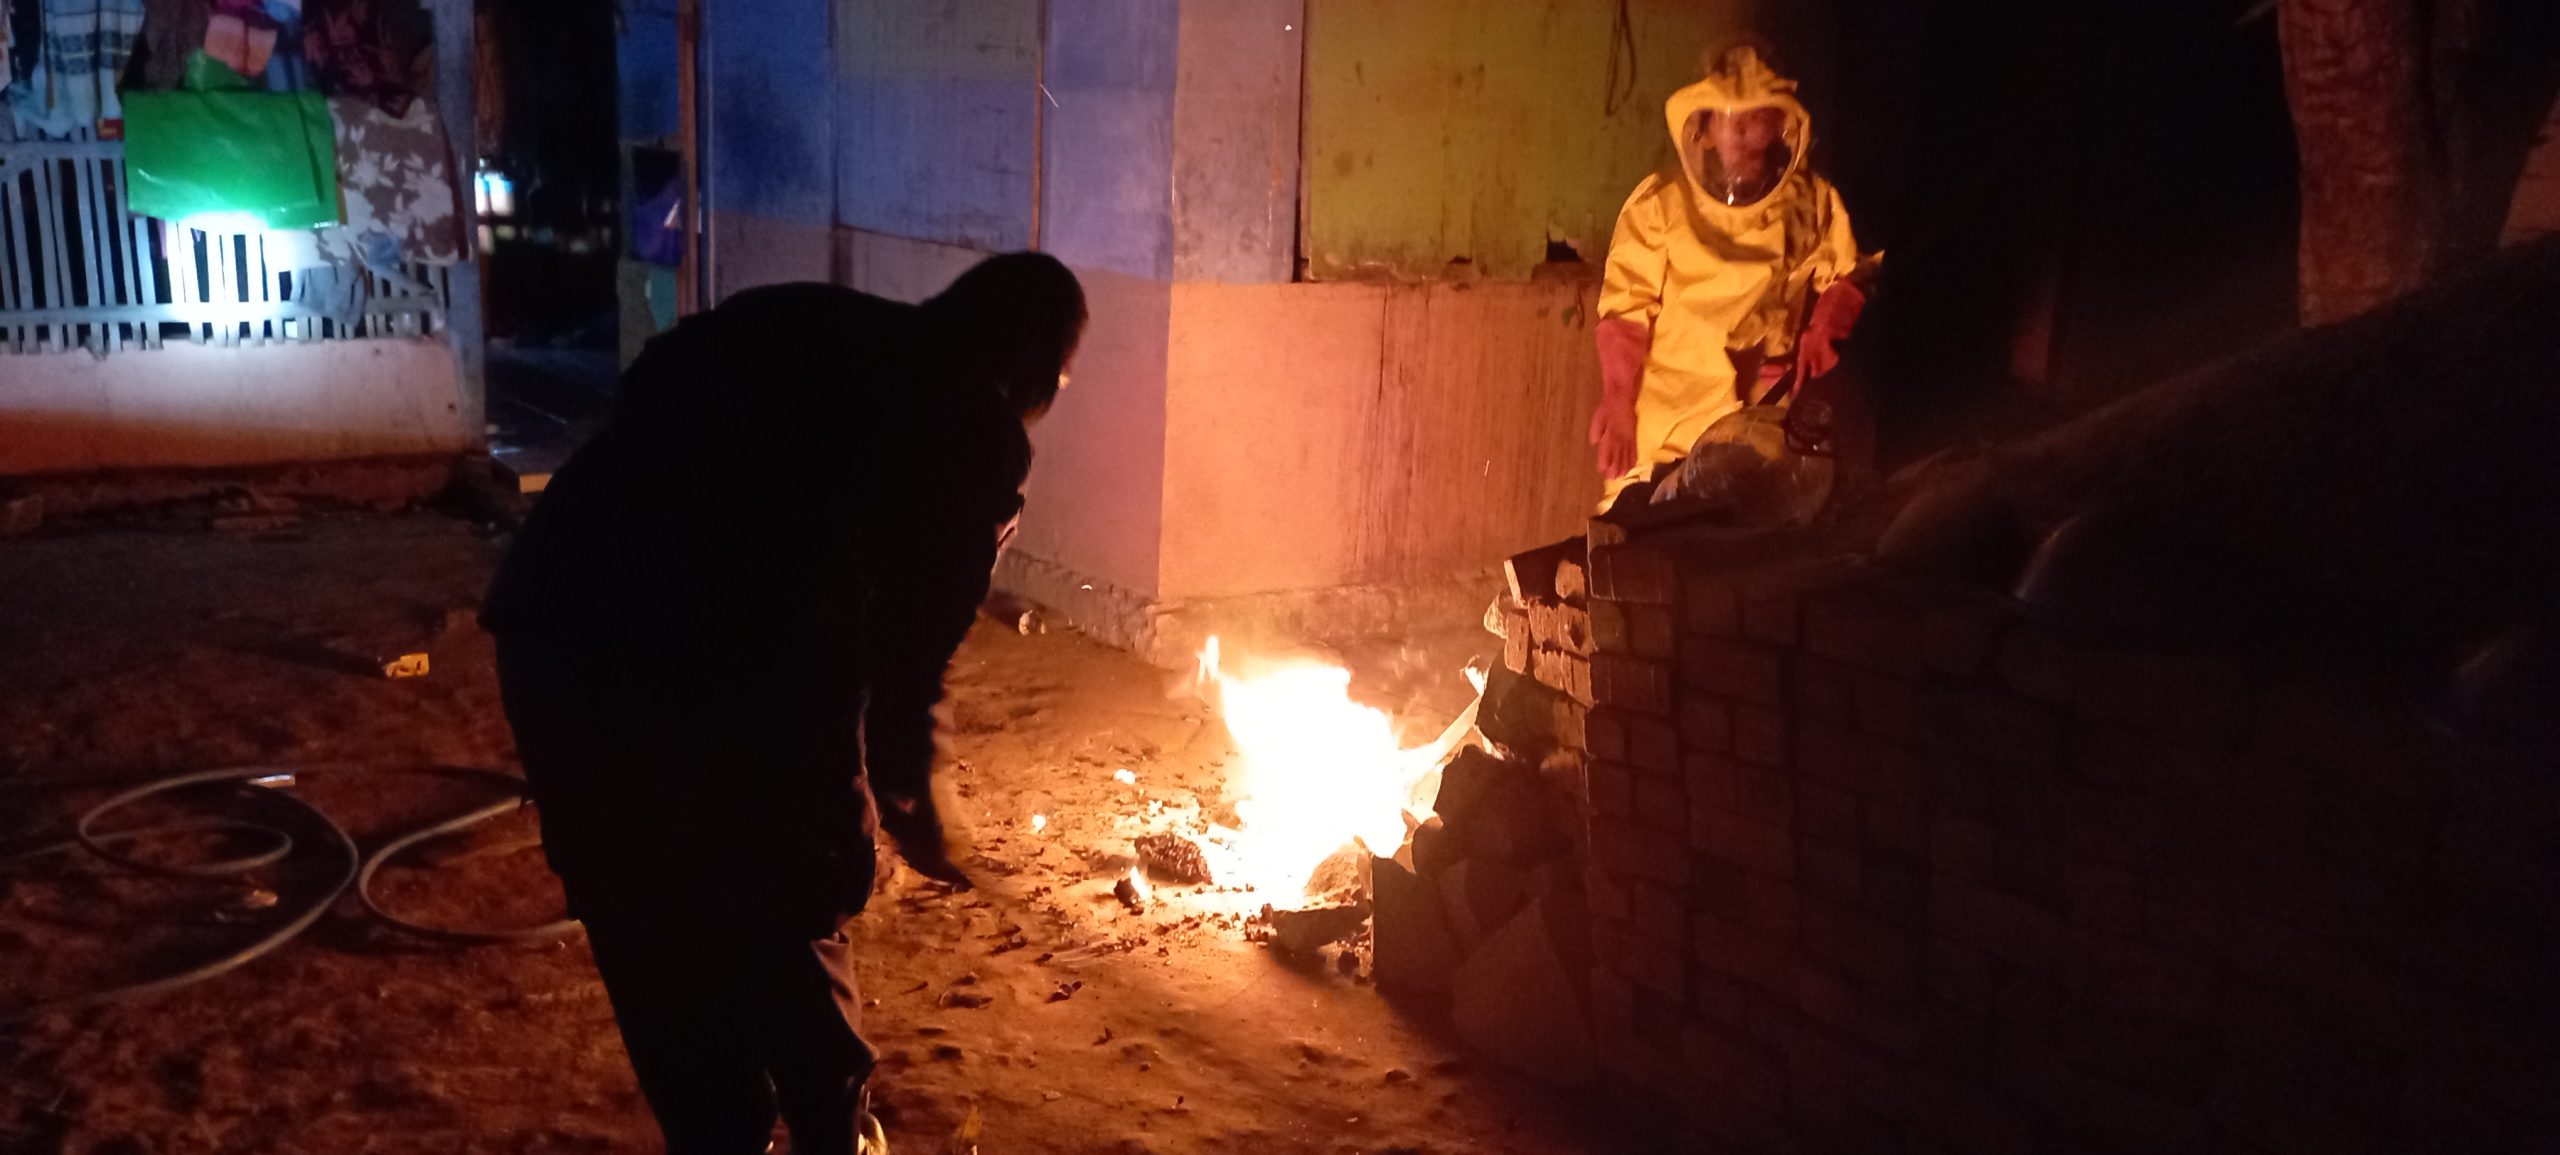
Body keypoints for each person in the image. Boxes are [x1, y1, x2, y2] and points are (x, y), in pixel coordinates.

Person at [481, 253, 1087, 1155]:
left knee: (635, 890)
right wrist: (910, 807)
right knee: (800, 880)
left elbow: (652, 382)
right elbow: (905, 669)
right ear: (1035, 364)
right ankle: (824, 1125)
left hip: (559, 625)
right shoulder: (973, 431)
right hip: (729, 657)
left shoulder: (804, 313)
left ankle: (718, 1128)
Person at [1589, 43, 1874, 509]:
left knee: (1739, 537)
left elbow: (1847, 271)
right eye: (1726, 116)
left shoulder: (1809, 204)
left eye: (1754, 116)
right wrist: (1619, 403)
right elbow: (1626, 310)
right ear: (1705, 125)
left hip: (1757, 418)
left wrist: (1825, 329)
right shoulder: (1660, 206)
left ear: (1780, 125)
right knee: (1636, 533)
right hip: (1668, 419)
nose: (1740, 130)